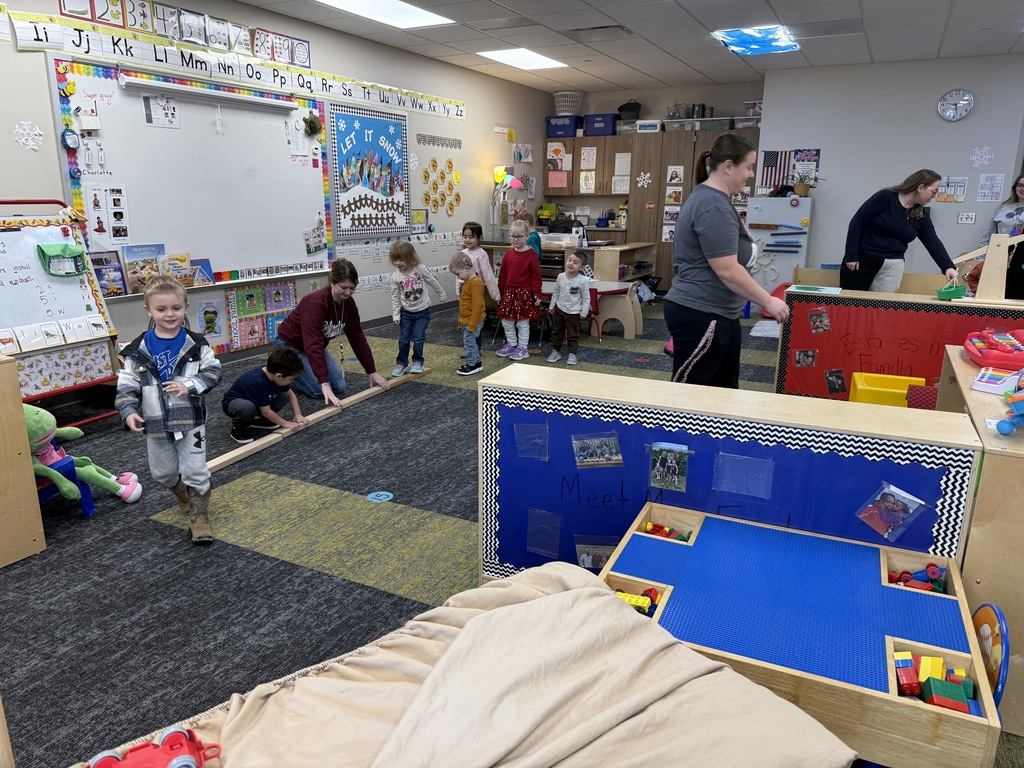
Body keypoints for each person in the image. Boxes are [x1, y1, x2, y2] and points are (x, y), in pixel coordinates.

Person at [663, 132, 789, 388]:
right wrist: (768, 301)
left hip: (716, 312)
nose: (751, 174)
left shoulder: (714, 200)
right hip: (701, 312)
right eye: (749, 167)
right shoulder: (712, 205)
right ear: (729, 167)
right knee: (693, 394)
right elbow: (727, 270)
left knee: (723, 392)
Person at [115, 276, 222, 545]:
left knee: (195, 470)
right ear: (148, 310)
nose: (169, 314)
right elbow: (126, 384)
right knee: (161, 474)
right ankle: (181, 493)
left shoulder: (196, 344)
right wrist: (128, 410)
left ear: (185, 307)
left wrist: (190, 384)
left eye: (176, 308)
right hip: (156, 422)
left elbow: (214, 372)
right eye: (161, 309)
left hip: (191, 420)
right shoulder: (136, 350)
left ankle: (199, 518)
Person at [273, 258, 389, 407]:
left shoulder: (349, 304)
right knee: (319, 390)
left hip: (314, 347)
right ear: (332, 282)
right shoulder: (315, 303)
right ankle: (283, 370)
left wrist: (371, 371)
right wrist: (323, 382)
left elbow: (357, 338)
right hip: (290, 347)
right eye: (343, 287)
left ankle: (303, 374)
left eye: (352, 288)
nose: (348, 293)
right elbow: (312, 343)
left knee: (339, 387)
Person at [842, 169, 957, 292]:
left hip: (892, 267)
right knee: (853, 306)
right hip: (862, 261)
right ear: (921, 187)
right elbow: (857, 223)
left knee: (882, 308)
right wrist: (851, 255)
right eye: (933, 192)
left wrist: (948, 267)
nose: (933, 197)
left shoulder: (920, 214)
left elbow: (933, 242)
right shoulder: (885, 197)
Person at [221, 346, 309, 444]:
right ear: (279, 376)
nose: (292, 382)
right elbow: (266, 411)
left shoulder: (275, 376)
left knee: (284, 395)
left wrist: (298, 414)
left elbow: (291, 395)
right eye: (291, 379)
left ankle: (258, 421)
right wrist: (285, 423)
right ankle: (237, 430)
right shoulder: (258, 382)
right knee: (247, 407)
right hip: (235, 403)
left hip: (256, 401)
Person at [387, 240, 446, 376]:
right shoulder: (395, 277)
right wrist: (396, 314)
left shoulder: (420, 269)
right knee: (403, 340)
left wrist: (441, 294)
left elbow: (432, 281)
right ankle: (402, 363)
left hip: (422, 311)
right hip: (406, 312)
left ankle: (418, 361)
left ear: (410, 257)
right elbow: (395, 297)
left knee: (418, 338)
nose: (397, 263)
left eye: (401, 260)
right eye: (395, 260)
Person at [496, 219, 542, 361]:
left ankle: (523, 348)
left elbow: (536, 276)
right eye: (513, 236)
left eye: (519, 236)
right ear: (509, 236)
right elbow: (503, 274)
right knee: (506, 321)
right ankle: (512, 344)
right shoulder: (508, 254)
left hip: (524, 293)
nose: (516, 239)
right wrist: (500, 292)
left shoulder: (531, 254)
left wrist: (537, 293)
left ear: (526, 236)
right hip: (509, 293)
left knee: (522, 323)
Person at [977, 173, 1024, 299]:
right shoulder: (1003, 207)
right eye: (1020, 185)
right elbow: (988, 234)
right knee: (996, 294)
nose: (1022, 189)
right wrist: (981, 260)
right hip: (999, 256)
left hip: (1021, 260)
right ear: (1015, 187)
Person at [459, 221, 501, 355]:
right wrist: (457, 292)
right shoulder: (463, 252)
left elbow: (488, 275)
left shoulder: (481, 254)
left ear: (479, 238)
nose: (467, 239)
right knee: (465, 319)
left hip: (476, 290)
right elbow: (458, 274)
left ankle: (476, 349)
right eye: (465, 236)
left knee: (476, 319)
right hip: (464, 290)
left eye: (471, 237)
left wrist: (495, 295)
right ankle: (469, 348)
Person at [546, 250, 590, 366]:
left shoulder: (582, 281)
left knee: (572, 334)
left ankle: (572, 353)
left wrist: (584, 312)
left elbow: (586, 298)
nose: (570, 263)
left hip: (574, 312)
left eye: (575, 262)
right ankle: (556, 351)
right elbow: (556, 292)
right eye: (569, 260)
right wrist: (552, 306)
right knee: (557, 332)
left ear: (581, 267)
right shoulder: (560, 277)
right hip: (560, 309)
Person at [450, 252, 487, 376]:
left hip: (473, 321)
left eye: (458, 274)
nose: (459, 277)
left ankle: (471, 365)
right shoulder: (467, 281)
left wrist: (472, 324)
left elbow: (477, 306)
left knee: (469, 343)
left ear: (466, 268)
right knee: (471, 343)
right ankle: (476, 363)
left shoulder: (475, 282)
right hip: (467, 320)